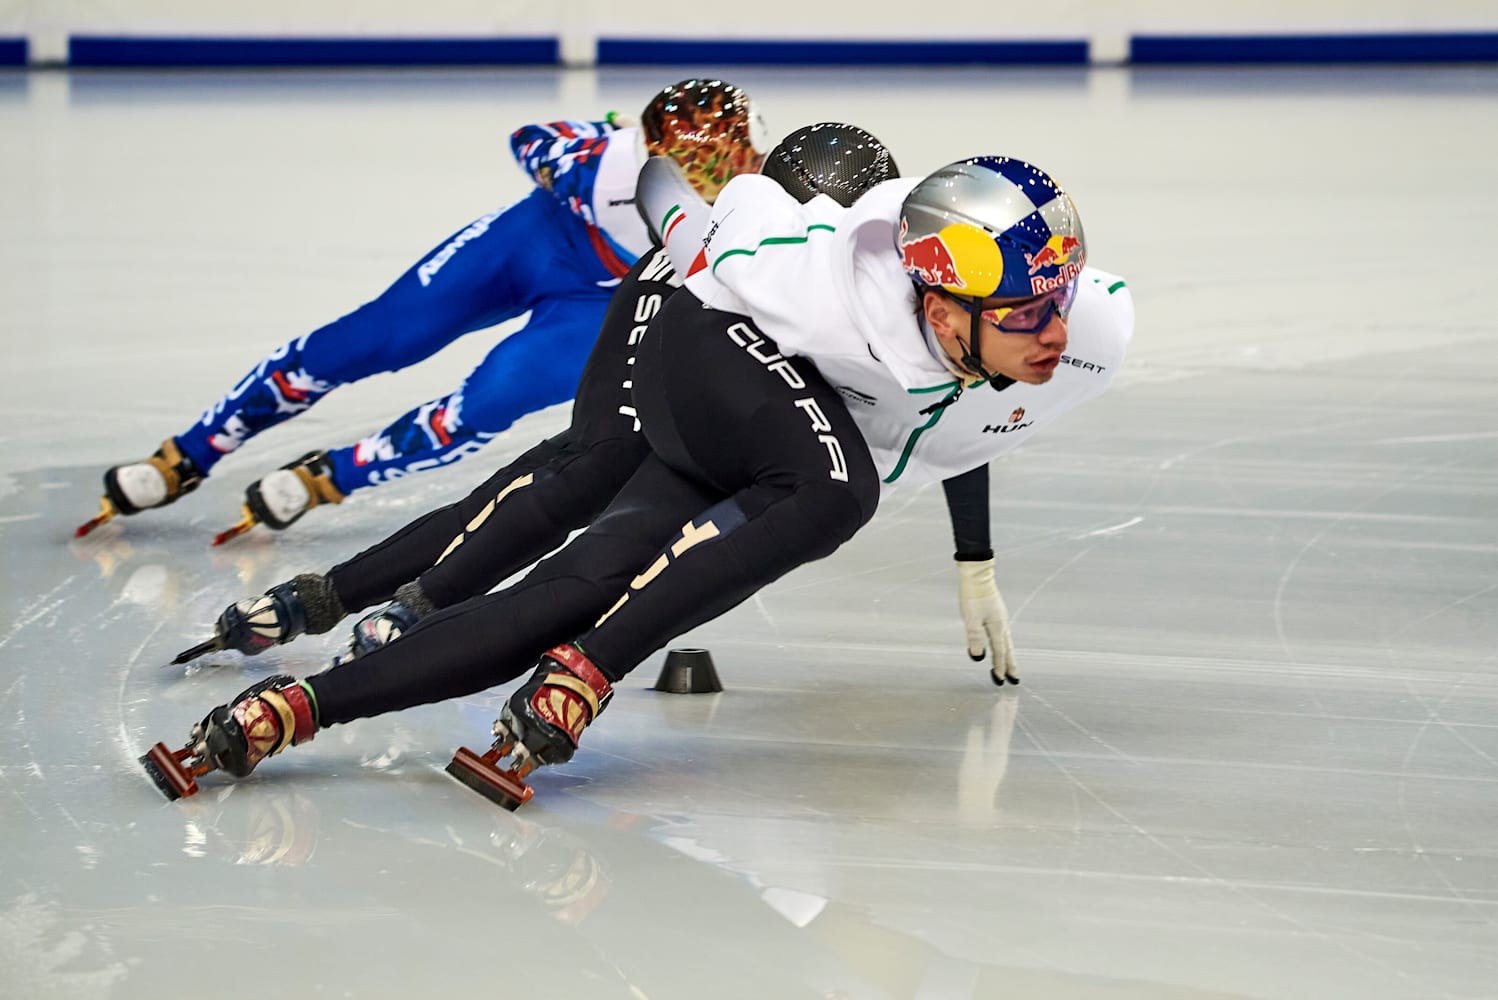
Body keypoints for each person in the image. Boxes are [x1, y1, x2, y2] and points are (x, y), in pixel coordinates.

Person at [143, 152, 1132, 806]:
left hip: (753, 425)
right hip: (701, 335)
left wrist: (974, 556)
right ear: (940, 296)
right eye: (1023, 312)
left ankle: (292, 709)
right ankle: (581, 670)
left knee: (568, 592)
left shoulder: (1076, 327)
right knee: (828, 490)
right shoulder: (819, 284)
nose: (1051, 332)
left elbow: (968, 430)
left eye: (1058, 303)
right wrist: (683, 219)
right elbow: (695, 222)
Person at [77, 79, 768, 543]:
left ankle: (334, 475)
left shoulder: (757, 204)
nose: (717, 177)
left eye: (733, 157)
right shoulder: (606, 159)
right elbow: (530, 137)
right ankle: (192, 452)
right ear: (655, 156)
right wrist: (570, 165)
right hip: (532, 241)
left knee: (489, 403)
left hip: (604, 303)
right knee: (371, 340)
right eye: (697, 164)